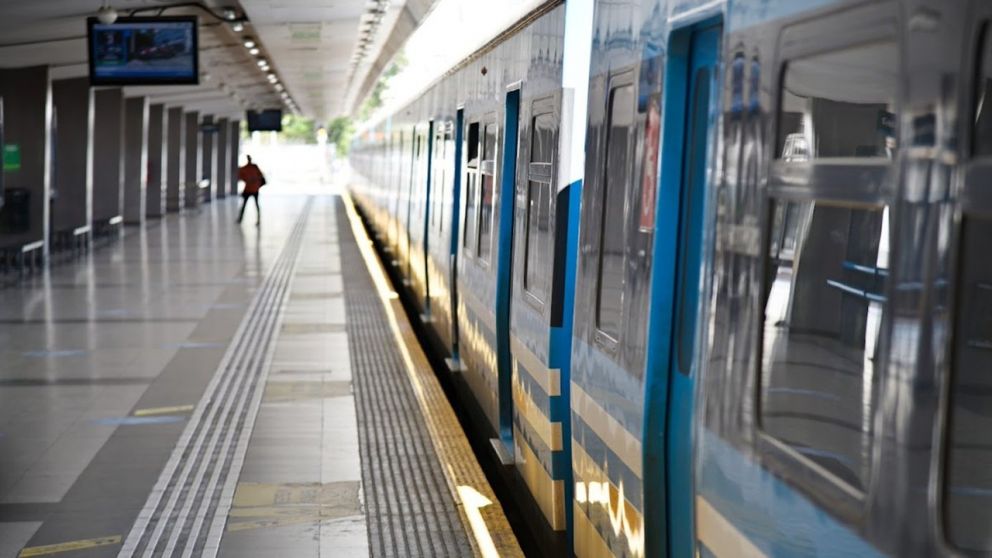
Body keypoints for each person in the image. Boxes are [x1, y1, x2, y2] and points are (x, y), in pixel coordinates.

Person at [237, 155, 266, 225]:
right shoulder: (250, 168)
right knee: (252, 204)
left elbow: (240, 176)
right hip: (252, 189)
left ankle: (241, 219)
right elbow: (261, 175)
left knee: (249, 204)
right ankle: (241, 219)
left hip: (252, 189)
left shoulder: (250, 168)